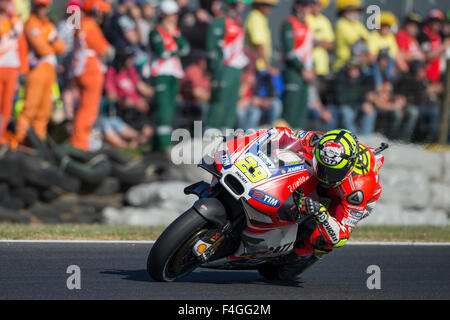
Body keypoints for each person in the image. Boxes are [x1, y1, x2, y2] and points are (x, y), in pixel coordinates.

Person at [260, 127, 383, 280]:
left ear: (349, 166)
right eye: (324, 168)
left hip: (344, 197)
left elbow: (340, 237)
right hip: (319, 183)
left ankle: (302, 256)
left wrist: (322, 214)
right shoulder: (316, 141)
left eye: (333, 172)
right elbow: (281, 134)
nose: (326, 177)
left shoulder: (358, 190)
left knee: (324, 239)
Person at [15, 0, 66, 143]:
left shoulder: (47, 24)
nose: (42, 10)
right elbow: (41, 48)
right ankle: (20, 141)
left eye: (44, 6)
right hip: (36, 69)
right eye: (39, 6)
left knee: (44, 112)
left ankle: (39, 144)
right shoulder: (31, 23)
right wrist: (51, 42)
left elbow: (62, 47)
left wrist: (50, 42)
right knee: (29, 109)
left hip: (49, 70)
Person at [71, 0, 115, 151]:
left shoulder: (82, 24)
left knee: (84, 108)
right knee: (88, 110)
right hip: (90, 72)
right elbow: (107, 51)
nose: (103, 15)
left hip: (83, 70)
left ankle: (81, 142)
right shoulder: (90, 26)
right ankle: (80, 144)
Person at [149, 0, 189, 152]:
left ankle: (157, 148)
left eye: (175, 15)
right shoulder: (156, 32)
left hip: (174, 74)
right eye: (170, 15)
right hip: (161, 75)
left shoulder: (175, 32)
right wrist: (175, 51)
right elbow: (161, 52)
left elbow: (186, 48)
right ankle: (163, 148)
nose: (173, 18)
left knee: (170, 112)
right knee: (163, 113)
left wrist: (174, 36)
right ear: (162, 15)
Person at [205, 0, 250, 130]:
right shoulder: (220, 21)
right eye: (241, 2)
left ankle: (226, 138)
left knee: (231, 105)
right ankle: (210, 137)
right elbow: (211, 49)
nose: (244, 5)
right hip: (223, 68)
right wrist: (216, 69)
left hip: (235, 69)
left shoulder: (238, 22)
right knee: (219, 104)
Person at [280, 0, 315, 130]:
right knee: (291, 109)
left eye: (309, 5)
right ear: (297, 6)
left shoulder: (306, 25)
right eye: (305, 5)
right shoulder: (289, 23)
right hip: (293, 71)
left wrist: (311, 69)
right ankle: (282, 141)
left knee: (302, 110)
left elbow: (309, 51)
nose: (308, 8)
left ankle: (298, 141)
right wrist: (302, 68)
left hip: (305, 73)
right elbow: (289, 51)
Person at [0, 0, 28, 144]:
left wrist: (23, 70)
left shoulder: (16, 23)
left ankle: (2, 135)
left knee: (7, 105)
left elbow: (22, 48)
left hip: (11, 68)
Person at [333, 0, 369, 72]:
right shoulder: (341, 24)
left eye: (355, 10)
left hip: (358, 66)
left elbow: (368, 39)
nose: (354, 13)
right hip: (343, 66)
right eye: (350, 10)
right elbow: (355, 42)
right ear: (343, 12)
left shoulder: (358, 24)